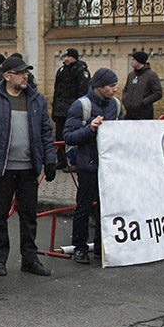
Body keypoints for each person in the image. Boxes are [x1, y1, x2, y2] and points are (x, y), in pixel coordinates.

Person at [0, 55, 56, 277]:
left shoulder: (36, 99)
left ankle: (30, 258)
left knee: (29, 216)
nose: (26, 76)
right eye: (20, 72)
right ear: (7, 76)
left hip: (29, 167)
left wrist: (50, 159)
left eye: (26, 72)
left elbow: (46, 131)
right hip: (3, 168)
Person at [63, 68, 123, 265]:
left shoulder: (115, 104)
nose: (115, 89)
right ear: (99, 87)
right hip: (88, 165)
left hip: (109, 166)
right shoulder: (82, 105)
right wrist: (90, 129)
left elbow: (122, 130)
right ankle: (80, 247)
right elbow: (68, 136)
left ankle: (101, 246)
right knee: (84, 207)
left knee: (105, 208)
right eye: (111, 86)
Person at [52, 48, 90, 169]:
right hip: (60, 109)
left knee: (74, 136)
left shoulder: (80, 70)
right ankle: (62, 160)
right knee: (60, 136)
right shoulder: (62, 70)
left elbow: (83, 91)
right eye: (66, 56)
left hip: (73, 109)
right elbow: (57, 90)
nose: (66, 59)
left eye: (69, 56)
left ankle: (74, 161)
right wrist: (54, 106)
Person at [122, 50, 162, 120]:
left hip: (144, 114)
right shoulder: (131, 75)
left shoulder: (151, 75)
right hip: (130, 113)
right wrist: (125, 99)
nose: (131, 62)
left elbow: (158, 93)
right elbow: (126, 89)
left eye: (133, 60)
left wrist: (144, 102)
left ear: (139, 61)